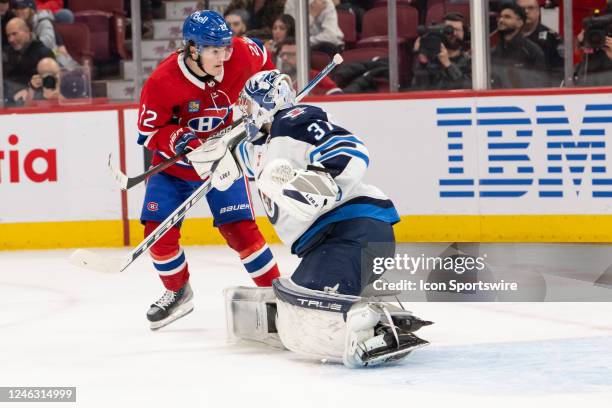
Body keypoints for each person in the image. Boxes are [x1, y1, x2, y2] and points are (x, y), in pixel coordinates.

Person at [204, 70, 432, 367]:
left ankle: (378, 331)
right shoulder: (263, 146)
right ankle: (362, 308)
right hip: (332, 242)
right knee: (296, 299)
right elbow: (244, 160)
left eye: (247, 104)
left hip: (353, 231)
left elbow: (351, 148)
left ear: (265, 103)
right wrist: (216, 160)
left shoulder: (294, 120)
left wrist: (325, 182)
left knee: (309, 308)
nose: (243, 112)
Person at [136, 10, 280, 330]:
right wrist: (178, 137)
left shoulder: (239, 53)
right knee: (158, 237)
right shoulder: (162, 81)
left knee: (242, 231)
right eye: (214, 50)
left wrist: (267, 92)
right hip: (174, 169)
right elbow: (147, 133)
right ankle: (177, 292)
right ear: (192, 49)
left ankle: (278, 297)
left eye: (225, 48)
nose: (223, 57)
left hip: (222, 162)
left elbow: (264, 57)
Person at [490, 2, 547, 88]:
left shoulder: (532, 51)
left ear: (520, 23)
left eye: (507, 17)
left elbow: (540, 85)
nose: (501, 20)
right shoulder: (492, 52)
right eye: (500, 17)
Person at [411, 12, 472, 90]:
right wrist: (422, 62)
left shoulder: (470, 61)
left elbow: (468, 87)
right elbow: (418, 89)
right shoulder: (431, 61)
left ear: (465, 33)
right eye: (449, 30)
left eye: (458, 30)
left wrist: (448, 65)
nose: (454, 34)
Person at [3, 17, 54, 105]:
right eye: (8, 36)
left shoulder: (44, 53)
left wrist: (29, 90)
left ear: (27, 31)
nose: (11, 39)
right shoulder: (7, 52)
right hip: (7, 95)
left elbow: (51, 85)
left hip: (32, 99)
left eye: (14, 34)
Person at [11, 0, 77, 68]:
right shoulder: (23, 25)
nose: (19, 11)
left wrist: (29, 39)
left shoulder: (43, 21)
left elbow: (46, 43)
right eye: (16, 8)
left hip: (60, 64)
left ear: (32, 10)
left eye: (23, 7)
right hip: (44, 63)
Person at [277, 37, 342, 95]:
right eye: (282, 54)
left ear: (302, 57)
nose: (285, 58)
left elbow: (337, 95)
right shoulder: (273, 79)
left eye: (291, 54)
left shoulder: (317, 78)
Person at [517, 0, 564, 80]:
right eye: (522, 8)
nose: (526, 11)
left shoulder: (552, 39)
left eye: (531, 8)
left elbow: (559, 75)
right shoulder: (508, 37)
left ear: (538, 11)